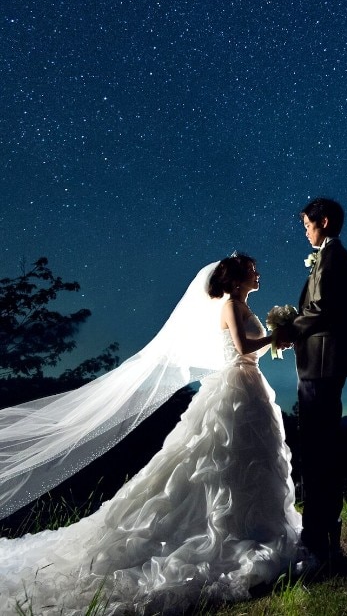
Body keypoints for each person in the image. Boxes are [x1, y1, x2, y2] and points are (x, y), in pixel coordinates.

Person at [0, 254, 301, 615]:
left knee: (249, 460)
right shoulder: (231, 306)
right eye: (252, 270)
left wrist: (274, 342)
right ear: (237, 279)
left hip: (248, 386)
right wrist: (276, 336)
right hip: (236, 389)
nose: (258, 273)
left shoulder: (240, 305)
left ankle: (253, 526)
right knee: (220, 457)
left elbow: (250, 350)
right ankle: (226, 530)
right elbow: (240, 348)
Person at [273, 197, 347, 578]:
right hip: (320, 364)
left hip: (322, 366)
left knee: (319, 448)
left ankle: (320, 539)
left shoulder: (333, 256)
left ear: (323, 221)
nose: (305, 230)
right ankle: (321, 535)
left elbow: (322, 308)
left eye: (307, 224)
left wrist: (289, 331)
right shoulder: (327, 255)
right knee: (319, 447)